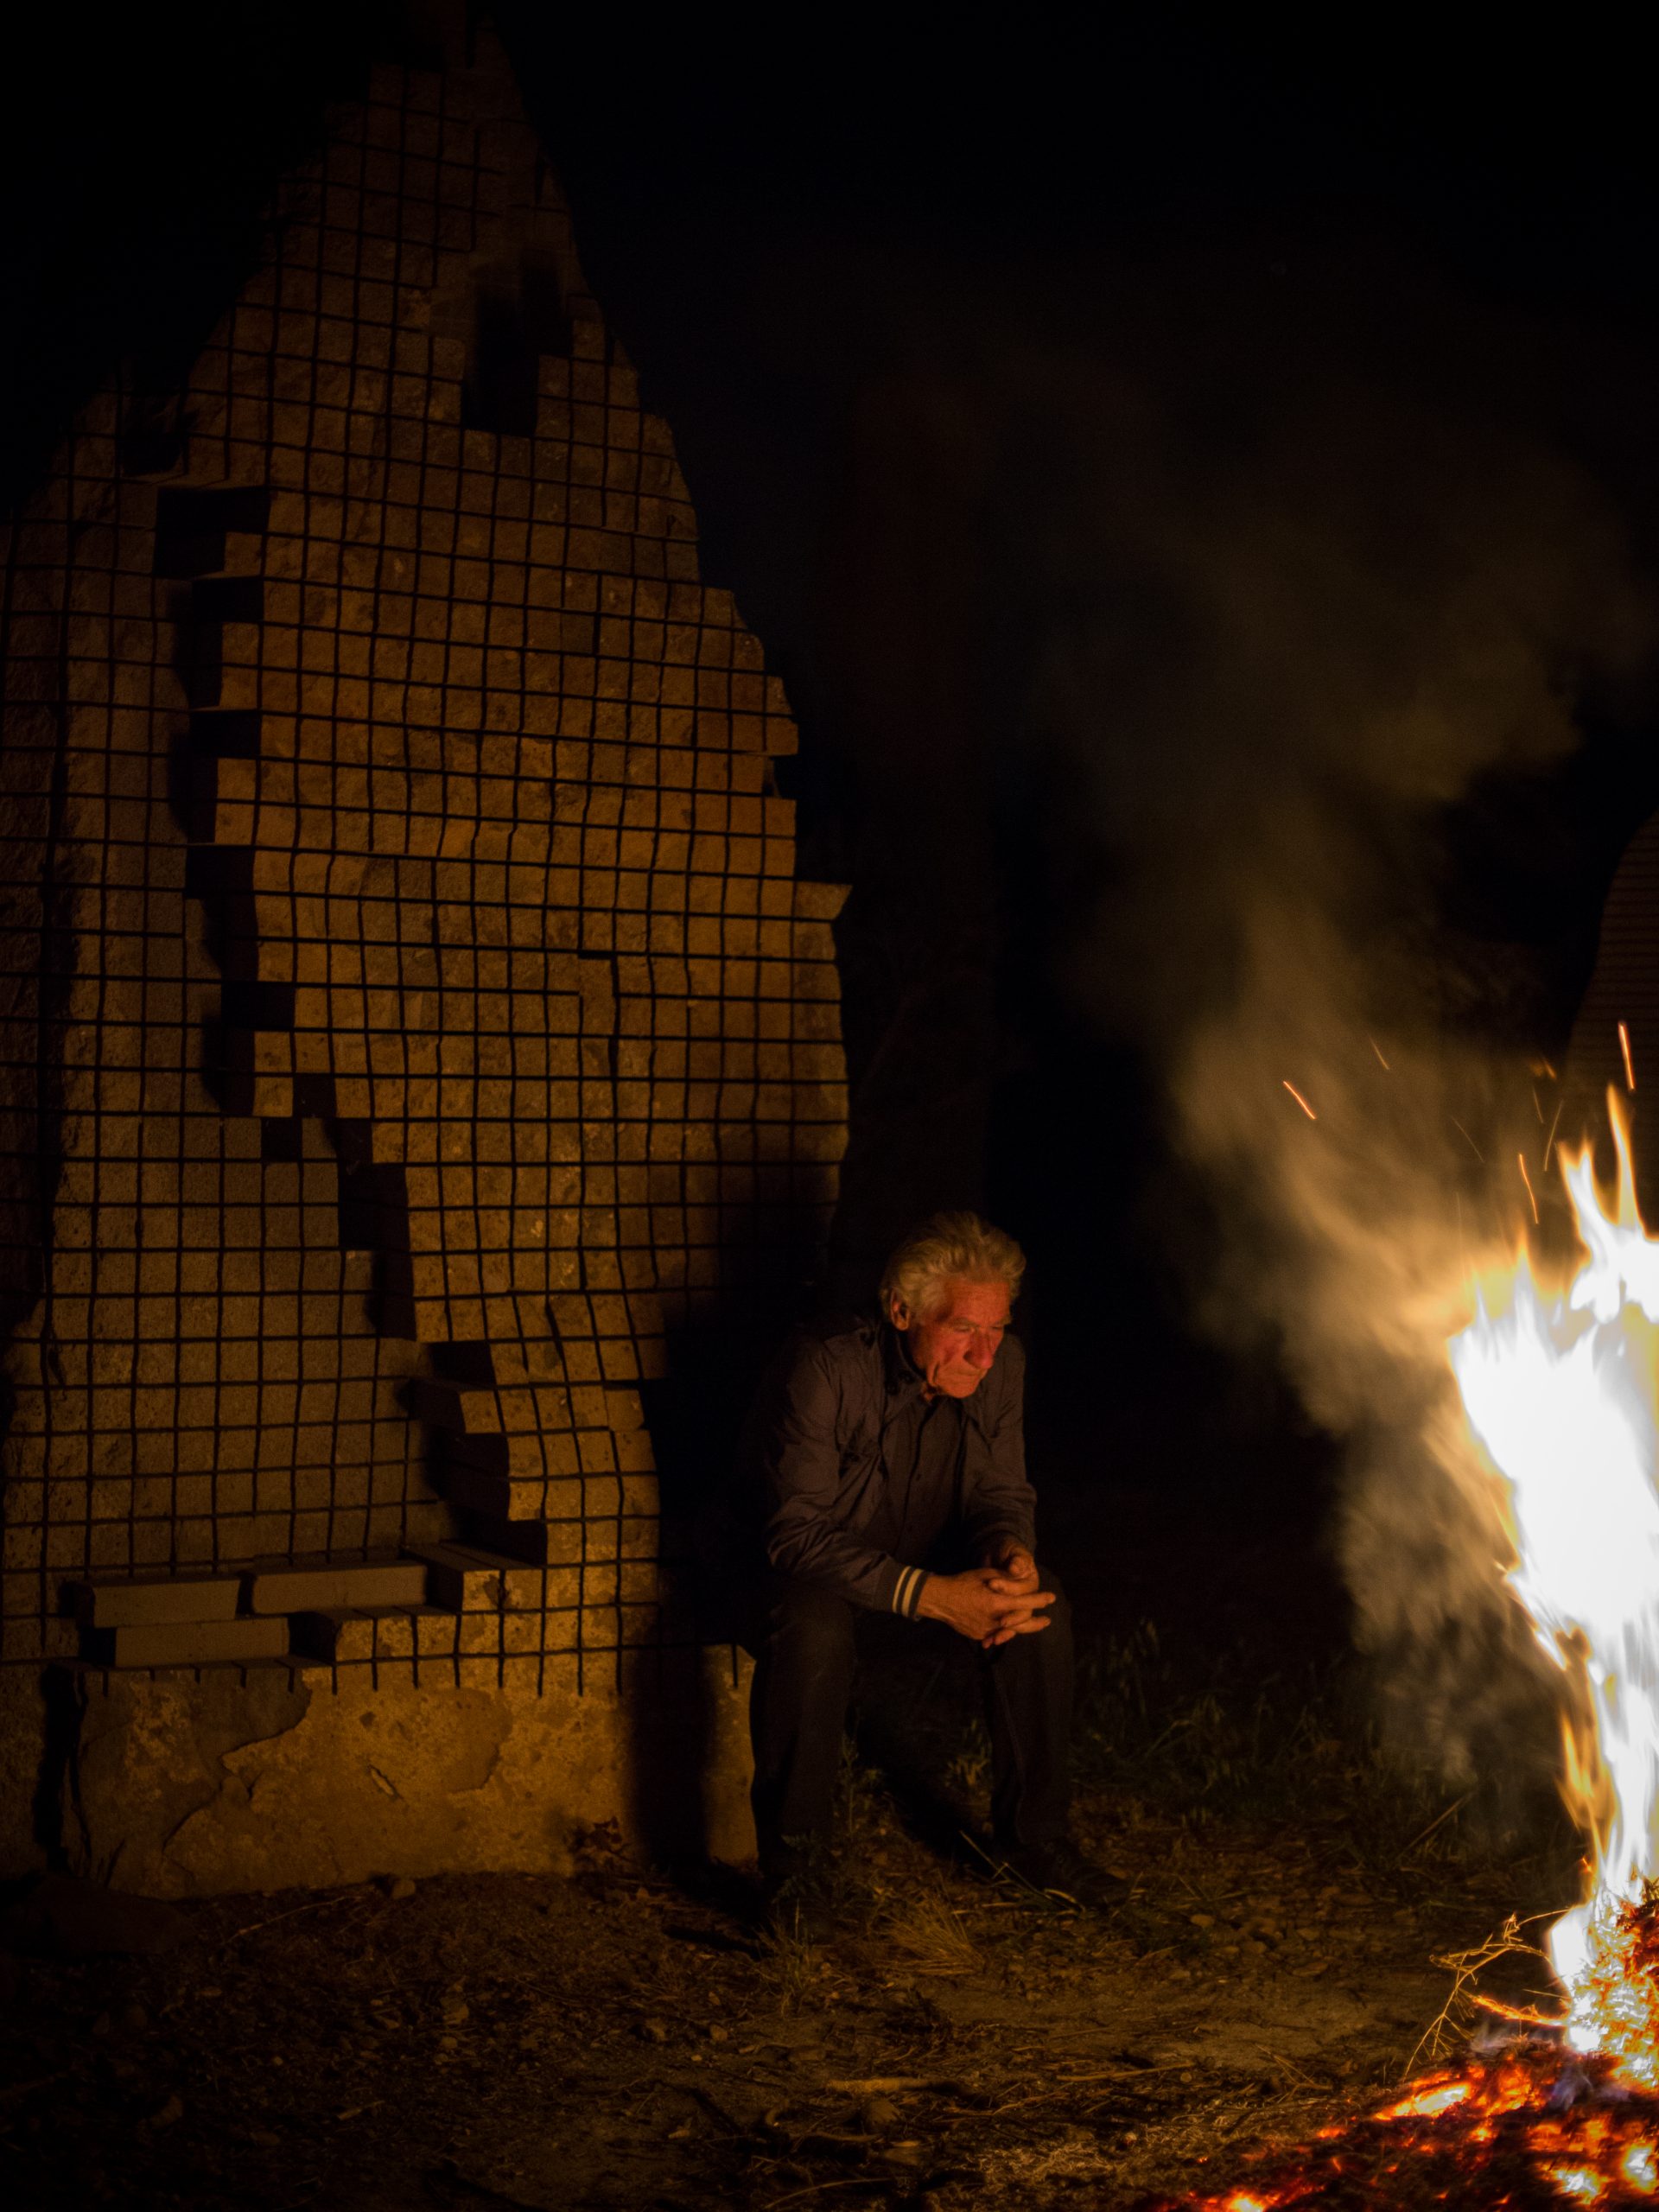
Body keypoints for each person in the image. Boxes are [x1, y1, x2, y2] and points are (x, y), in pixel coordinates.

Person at [731, 1210, 1124, 1924]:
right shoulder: (826, 1366)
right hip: (798, 1574)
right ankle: (795, 1880)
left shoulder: (1003, 1368)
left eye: (997, 1327)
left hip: (913, 1561)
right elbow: (794, 1534)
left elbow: (1000, 1491)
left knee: (1037, 1607)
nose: (985, 1353)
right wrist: (932, 1597)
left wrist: (1011, 1552)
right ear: (902, 1310)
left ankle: (1035, 1843)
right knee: (813, 1627)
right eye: (964, 1329)